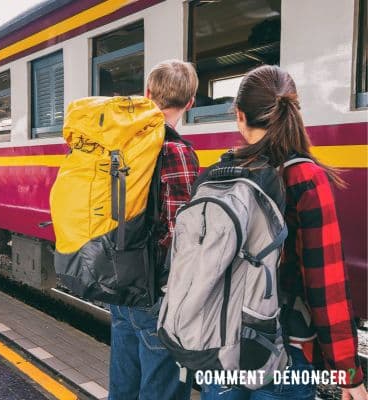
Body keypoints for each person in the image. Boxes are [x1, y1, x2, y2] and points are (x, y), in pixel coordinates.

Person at [201, 65, 367, 400]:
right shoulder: (305, 178)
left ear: (239, 115)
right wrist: (348, 374)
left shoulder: (217, 174)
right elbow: (326, 284)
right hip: (286, 346)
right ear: (293, 111)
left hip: (221, 342)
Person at [109, 60, 199, 400]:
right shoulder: (176, 151)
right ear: (190, 102)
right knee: (162, 390)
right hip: (157, 293)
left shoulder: (122, 145)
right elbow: (182, 235)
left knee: (123, 388)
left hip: (121, 284)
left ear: (148, 94)